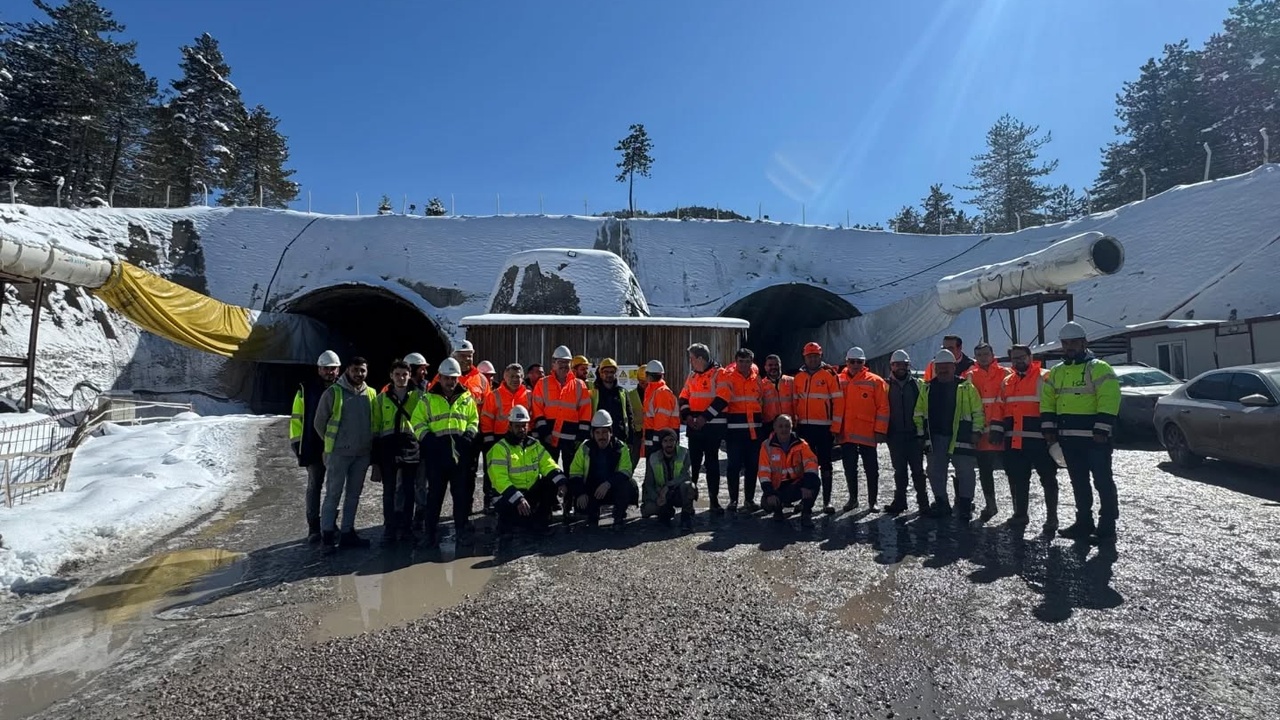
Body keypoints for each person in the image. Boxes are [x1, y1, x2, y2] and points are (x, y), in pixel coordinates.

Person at [1041, 321, 1120, 543]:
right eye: (1065, 343)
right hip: (1068, 437)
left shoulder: (1099, 368)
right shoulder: (1056, 372)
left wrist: (1102, 428)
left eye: (1074, 342)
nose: (1069, 347)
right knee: (1079, 482)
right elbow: (1048, 402)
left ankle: (1107, 525)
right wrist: (1048, 429)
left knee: (1102, 481)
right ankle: (1083, 522)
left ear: (1084, 343)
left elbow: (1110, 399)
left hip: (1095, 438)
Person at [989, 344, 1059, 534]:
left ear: (1030, 357)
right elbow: (999, 407)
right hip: (1014, 441)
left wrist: (1053, 431)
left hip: (1041, 440)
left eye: (1022, 357)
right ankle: (1020, 514)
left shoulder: (1045, 377)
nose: (1018, 361)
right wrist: (996, 429)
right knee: (1018, 479)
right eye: (1014, 358)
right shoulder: (1007, 381)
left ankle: (1052, 518)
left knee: (1048, 479)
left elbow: (1055, 403)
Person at [413, 357, 480, 546]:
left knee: (460, 496)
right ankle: (429, 534)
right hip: (436, 455)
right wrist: (427, 439)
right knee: (434, 496)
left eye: (454, 378)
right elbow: (417, 421)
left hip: (459, 454)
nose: (450, 382)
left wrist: (469, 436)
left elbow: (474, 420)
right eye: (447, 378)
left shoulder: (467, 398)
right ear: (440, 378)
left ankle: (461, 531)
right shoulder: (427, 399)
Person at [313, 356, 376, 551]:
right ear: (347, 370)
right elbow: (319, 423)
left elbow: (376, 421)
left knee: (354, 495)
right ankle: (328, 536)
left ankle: (348, 532)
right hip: (339, 454)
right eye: (355, 370)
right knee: (333, 494)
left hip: (361, 454)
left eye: (362, 370)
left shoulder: (371, 394)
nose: (359, 374)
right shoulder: (334, 392)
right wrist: (335, 443)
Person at [913, 349, 984, 518]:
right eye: (940, 367)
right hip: (936, 438)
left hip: (962, 436)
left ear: (954, 367)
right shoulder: (927, 388)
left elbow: (978, 412)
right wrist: (921, 435)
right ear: (935, 368)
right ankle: (942, 504)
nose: (943, 370)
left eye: (947, 367)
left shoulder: (966, 387)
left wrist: (977, 431)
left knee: (965, 472)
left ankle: (965, 506)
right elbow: (919, 413)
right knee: (935, 472)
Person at [488, 405, 567, 536]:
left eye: (524, 426)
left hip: (529, 495)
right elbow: (499, 479)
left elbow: (548, 464)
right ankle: (511, 523)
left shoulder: (534, 445)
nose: (521, 429)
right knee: (512, 529)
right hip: (508, 497)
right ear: (510, 426)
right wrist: (518, 499)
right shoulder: (500, 448)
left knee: (551, 482)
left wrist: (561, 483)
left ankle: (540, 520)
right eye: (517, 426)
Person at [290, 350, 341, 543]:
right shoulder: (306, 389)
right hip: (313, 446)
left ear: (338, 370)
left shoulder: (343, 388)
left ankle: (330, 524)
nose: (329, 372)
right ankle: (313, 527)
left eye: (333, 369)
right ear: (319, 369)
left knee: (334, 487)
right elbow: (297, 418)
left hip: (336, 447)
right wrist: (297, 444)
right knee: (314, 486)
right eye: (326, 368)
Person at [372, 360, 424, 544]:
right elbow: (376, 428)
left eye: (404, 374)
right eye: (397, 374)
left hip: (410, 446)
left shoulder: (419, 397)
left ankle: (407, 528)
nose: (401, 378)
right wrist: (375, 459)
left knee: (409, 490)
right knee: (389, 491)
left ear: (410, 376)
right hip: (388, 447)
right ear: (391, 376)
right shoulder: (381, 399)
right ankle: (390, 528)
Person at [679, 343, 731, 512]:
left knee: (712, 464)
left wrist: (704, 418)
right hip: (694, 427)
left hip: (713, 428)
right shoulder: (693, 376)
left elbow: (723, 399)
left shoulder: (719, 374)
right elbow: (683, 397)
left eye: (692, 359)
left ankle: (714, 500)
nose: (690, 362)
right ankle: (690, 500)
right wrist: (687, 416)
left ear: (700, 359)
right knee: (693, 464)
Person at [793, 341, 843, 514]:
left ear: (820, 356)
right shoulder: (798, 377)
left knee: (825, 464)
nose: (812, 359)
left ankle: (826, 501)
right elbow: (795, 402)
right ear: (804, 357)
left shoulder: (829, 375)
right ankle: (804, 500)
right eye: (809, 356)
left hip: (824, 428)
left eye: (815, 356)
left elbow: (838, 402)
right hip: (804, 428)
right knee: (804, 465)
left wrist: (836, 427)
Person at [722, 348, 775, 512]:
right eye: (741, 361)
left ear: (752, 362)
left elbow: (761, 403)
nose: (744, 365)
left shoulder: (756, 379)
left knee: (752, 467)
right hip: (735, 432)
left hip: (754, 432)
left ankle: (749, 500)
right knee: (733, 467)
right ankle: (733, 500)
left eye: (747, 362)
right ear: (736, 362)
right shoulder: (728, 378)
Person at [836, 346, 889, 511]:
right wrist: (835, 429)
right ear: (846, 362)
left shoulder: (875, 381)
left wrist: (880, 430)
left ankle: (873, 501)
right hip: (847, 433)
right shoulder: (838, 380)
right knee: (850, 468)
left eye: (859, 362)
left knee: (871, 469)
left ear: (864, 362)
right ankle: (853, 499)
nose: (855, 364)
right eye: (852, 361)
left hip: (868, 433)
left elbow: (883, 407)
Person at [568, 410, 639, 530]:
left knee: (629, 484)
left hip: (612, 489)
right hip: (592, 489)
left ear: (611, 433)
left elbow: (626, 471)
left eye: (605, 432)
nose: (602, 436)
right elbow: (575, 472)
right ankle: (592, 516)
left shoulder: (621, 448)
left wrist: (608, 483)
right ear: (592, 434)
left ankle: (618, 516)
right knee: (581, 503)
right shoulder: (585, 448)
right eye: (598, 433)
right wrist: (580, 493)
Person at [964, 341, 1011, 521]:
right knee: (985, 472)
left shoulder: (1006, 374)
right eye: (980, 355)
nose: (983, 358)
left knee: (1012, 471)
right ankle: (990, 505)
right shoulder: (969, 376)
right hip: (981, 433)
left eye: (986, 354)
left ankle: (1017, 508)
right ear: (975, 357)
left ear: (993, 355)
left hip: (1003, 432)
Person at [480, 363, 532, 513]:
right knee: (492, 470)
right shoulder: (494, 395)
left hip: (520, 438)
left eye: (518, 377)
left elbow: (532, 417)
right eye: (512, 377)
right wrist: (489, 439)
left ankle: (517, 498)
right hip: (498, 438)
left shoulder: (529, 395)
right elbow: (486, 418)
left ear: (523, 378)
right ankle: (490, 498)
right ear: (504, 377)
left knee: (517, 470)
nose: (515, 379)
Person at [883, 350, 929, 515]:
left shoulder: (918, 385)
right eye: (897, 364)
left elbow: (924, 410)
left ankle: (923, 502)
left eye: (904, 364)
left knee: (918, 470)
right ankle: (900, 501)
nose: (901, 367)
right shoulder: (884, 386)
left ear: (908, 365)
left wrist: (922, 433)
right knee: (899, 470)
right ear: (892, 366)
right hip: (894, 436)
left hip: (913, 435)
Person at [531, 345, 592, 468]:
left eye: (567, 362)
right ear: (553, 363)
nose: (564, 366)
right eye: (561, 362)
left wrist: (580, 437)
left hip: (571, 439)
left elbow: (585, 412)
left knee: (572, 472)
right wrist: (544, 433)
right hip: (549, 437)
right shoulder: (543, 383)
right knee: (549, 472)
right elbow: (537, 410)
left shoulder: (579, 385)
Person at [757, 414, 821, 526]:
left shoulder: (801, 444)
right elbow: (764, 473)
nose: (784, 429)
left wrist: (807, 485)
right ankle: (778, 511)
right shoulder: (766, 446)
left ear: (792, 428)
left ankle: (806, 514)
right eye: (780, 426)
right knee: (768, 505)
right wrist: (770, 493)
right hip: (777, 487)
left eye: (787, 426)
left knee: (815, 483)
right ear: (774, 427)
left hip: (796, 485)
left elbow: (811, 465)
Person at [589, 358, 642, 466]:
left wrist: (631, 439)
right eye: (606, 372)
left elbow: (629, 416)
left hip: (619, 437)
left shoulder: (622, 392)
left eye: (612, 372)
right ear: (600, 373)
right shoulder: (593, 392)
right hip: (600, 439)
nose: (609, 375)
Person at [641, 428, 697, 530]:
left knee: (690, 486)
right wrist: (657, 498)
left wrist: (668, 486)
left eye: (671, 440)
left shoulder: (684, 453)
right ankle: (665, 513)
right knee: (648, 510)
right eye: (665, 441)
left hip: (677, 492)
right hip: (661, 494)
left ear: (676, 442)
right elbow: (648, 484)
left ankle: (686, 517)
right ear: (661, 443)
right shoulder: (653, 458)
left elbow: (686, 476)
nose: (669, 444)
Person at [641, 360, 680, 457]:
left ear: (648, 375)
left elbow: (662, 421)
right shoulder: (653, 390)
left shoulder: (661, 392)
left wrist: (658, 440)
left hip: (661, 439)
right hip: (655, 437)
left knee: (660, 469)